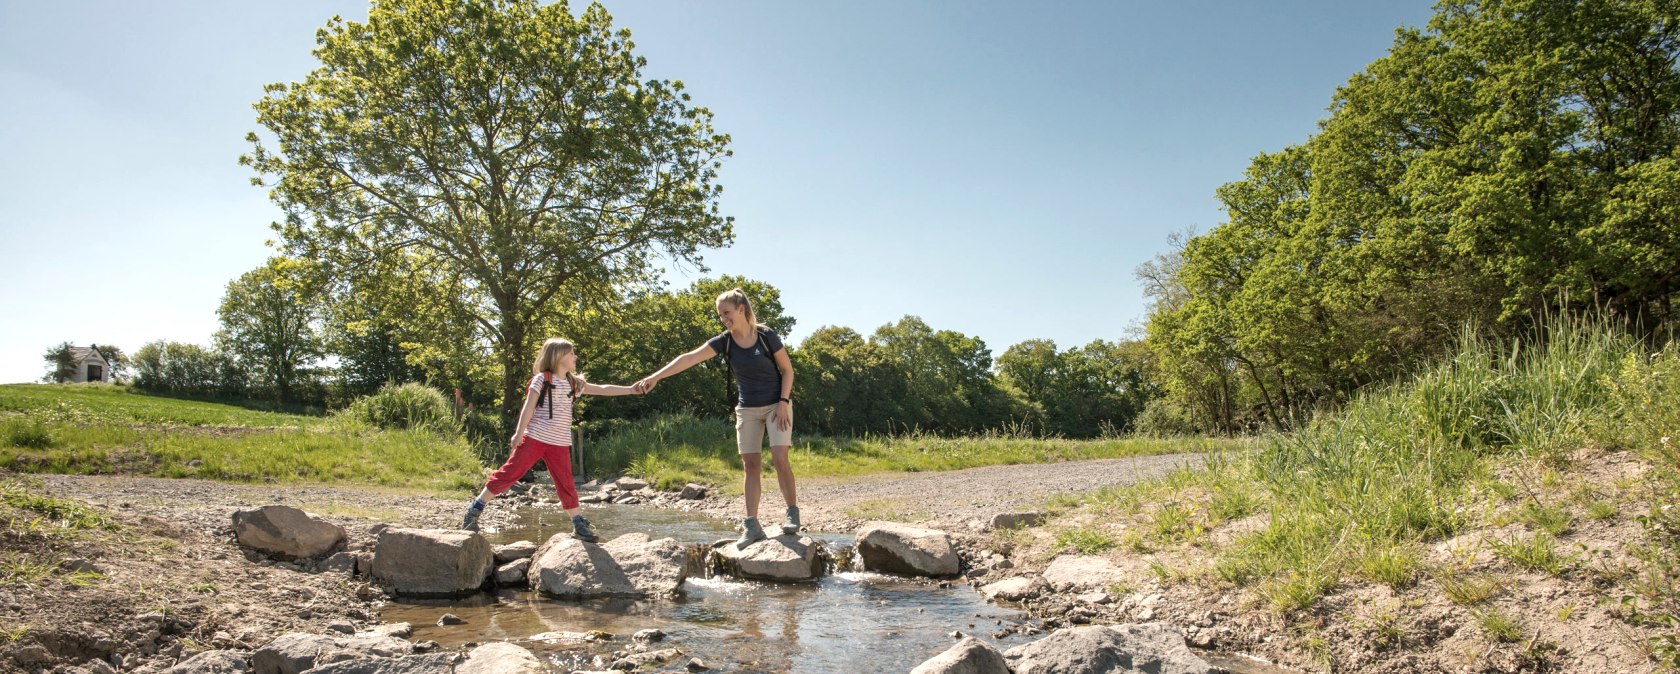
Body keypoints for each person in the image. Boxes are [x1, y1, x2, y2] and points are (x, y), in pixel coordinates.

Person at [636, 287, 799, 546]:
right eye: (720, 315)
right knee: (751, 465)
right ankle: (752, 525)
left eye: (727, 313)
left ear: (741, 309)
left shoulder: (766, 336)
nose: (723, 318)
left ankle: (792, 511)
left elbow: (787, 370)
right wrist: (656, 377)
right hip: (747, 409)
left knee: (780, 458)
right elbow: (688, 358)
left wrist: (783, 402)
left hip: (775, 405)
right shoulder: (725, 341)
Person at [461, 338, 641, 541]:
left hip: (560, 443)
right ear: (557, 356)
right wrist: (519, 432)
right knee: (510, 473)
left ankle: (578, 524)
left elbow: (603, 389)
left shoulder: (573, 383)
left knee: (566, 483)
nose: (575, 357)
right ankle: (474, 510)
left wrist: (631, 389)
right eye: (571, 353)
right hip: (535, 438)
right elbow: (529, 406)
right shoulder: (542, 379)